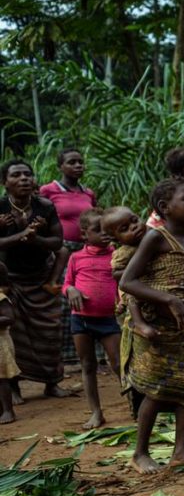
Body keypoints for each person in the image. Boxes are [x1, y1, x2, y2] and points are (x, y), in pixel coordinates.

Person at [120, 178, 184, 474]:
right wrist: (169, 300)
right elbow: (128, 281)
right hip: (156, 326)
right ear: (164, 208)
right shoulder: (156, 238)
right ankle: (140, 452)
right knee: (157, 390)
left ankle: (181, 451)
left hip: (182, 328)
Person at [0, 159, 69, 403]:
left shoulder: (44, 206)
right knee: (15, 333)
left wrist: (36, 239)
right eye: (16, 175)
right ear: (5, 182)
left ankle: (53, 383)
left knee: (51, 330)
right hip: (10, 278)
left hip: (41, 276)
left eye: (27, 174)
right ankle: (15, 389)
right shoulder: (0, 207)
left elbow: (58, 242)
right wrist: (21, 235)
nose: (23, 179)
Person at [39, 148, 98, 368]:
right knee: (64, 301)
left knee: (89, 297)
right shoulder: (49, 190)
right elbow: (38, 214)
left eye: (81, 162)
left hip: (85, 251)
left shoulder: (88, 193)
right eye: (72, 162)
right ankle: (65, 354)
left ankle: (90, 351)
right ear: (60, 166)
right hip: (60, 251)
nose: (78, 166)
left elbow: (94, 219)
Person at [63, 209, 121, 429]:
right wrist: (71, 291)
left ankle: (136, 404)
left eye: (108, 229)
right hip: (81, 320)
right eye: (99, 230)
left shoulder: (116, 255)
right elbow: (66, 284)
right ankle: (96, 412)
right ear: (85, 234)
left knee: (117, 364)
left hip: (108, 320)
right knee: (88, 365)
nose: (105, 234)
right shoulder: (76, 257)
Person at [102, 206, 152, 338]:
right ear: (117, 240)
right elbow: (116, 273)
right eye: (125, 229)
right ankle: (139, 324)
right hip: (136, 284)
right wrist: (137, 270)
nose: (134, 227)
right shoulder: (125, 252)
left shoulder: (154, 235)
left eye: (135, 221)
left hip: (157, 281)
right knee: (132, 298)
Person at [0, 263, 20, 424]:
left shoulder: (1, 298)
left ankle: (8, 411)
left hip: (1, 344)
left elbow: (9, 318)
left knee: (2, 378)